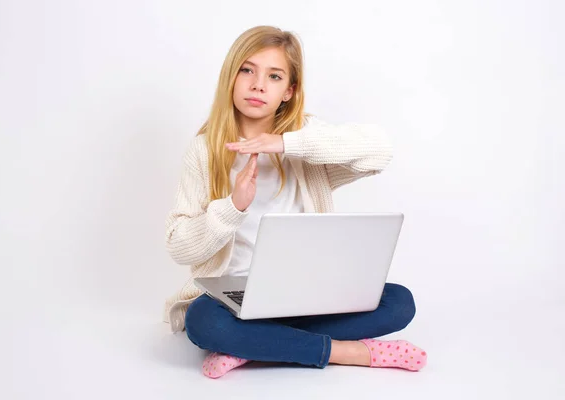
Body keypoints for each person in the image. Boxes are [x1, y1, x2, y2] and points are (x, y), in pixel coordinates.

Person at [163, 25, 427, 378]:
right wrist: (232, 208)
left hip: (307, 293)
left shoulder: (305, 143)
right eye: (247, 70)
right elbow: (179, 247)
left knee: (400, 301)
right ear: (231, 77)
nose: (258, 85)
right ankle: (346, 352)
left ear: (289, 90)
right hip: (233, 299)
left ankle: (252, 346)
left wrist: (286, 144)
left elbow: (380, 151)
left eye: (274, 76)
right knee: (202, 321)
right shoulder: (204, 150)